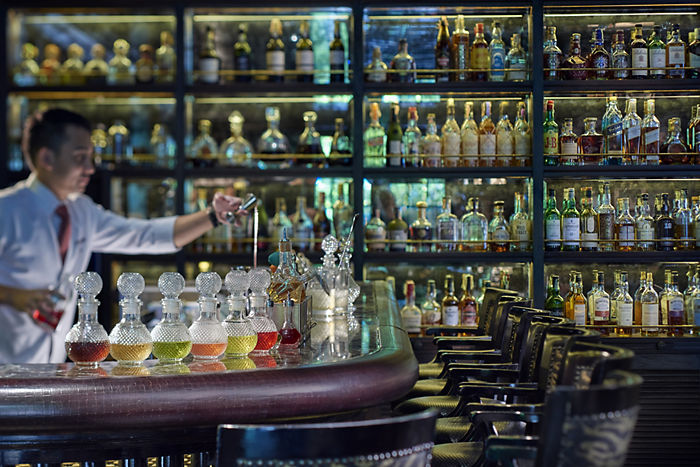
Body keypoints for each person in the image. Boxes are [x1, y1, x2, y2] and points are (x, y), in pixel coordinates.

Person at [0, 108, 246, 364]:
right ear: (47, 158)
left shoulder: (81, 211)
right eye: (80, 157)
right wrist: (13, 296)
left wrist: (212, 216)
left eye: (90, 157)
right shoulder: (6, 209)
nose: (90, 168)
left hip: (49, 370)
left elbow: (144, 235)